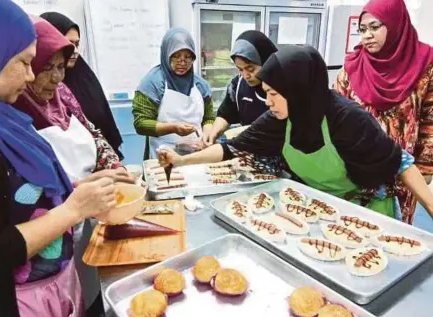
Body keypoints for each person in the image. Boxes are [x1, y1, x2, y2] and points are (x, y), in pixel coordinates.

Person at [158, 45, 433, 220]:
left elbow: (402, 165)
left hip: (366, 210)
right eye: (266, 93)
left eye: (274, 94)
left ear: (298, 90)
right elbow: (232, 147)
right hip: (321, 209)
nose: (268, 102)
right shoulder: (281, 118)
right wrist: (180, 161)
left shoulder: (347, 119)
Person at [0, 1, 116, 316]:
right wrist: (74, 208)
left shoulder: (10, 121)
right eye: (25, 62)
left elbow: (32, 193)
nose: (31, 73)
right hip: (23, 299)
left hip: (59, 281)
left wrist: (83, 185)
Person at [334, 0, 433, 224]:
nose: (367, 35)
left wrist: (426, 166)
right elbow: (336, 116)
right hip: (360, 169)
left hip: (403, 172)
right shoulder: (352, 68)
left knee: (396, 234)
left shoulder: (425, 65)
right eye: (362, 29)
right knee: (356, 230)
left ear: (396, 24)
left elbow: (430, 119)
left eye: (375, 27)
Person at [40, 11, 124, 160]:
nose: (75, 51)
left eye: (77, 44)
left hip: (101, 161)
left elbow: (100, 124)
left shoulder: (83, 75)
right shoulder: (38, 88)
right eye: (68, 44)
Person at [133, 27, 215, 159]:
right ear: (166, 54)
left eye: (188, 57)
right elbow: (141, 123)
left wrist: (206, 138)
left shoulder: (201, 85)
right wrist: (173, 128)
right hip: (162, 154)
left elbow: (209, 119)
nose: (182, 62)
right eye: (176, 56)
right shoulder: (152, 83)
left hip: (195, 154)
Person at [204, 30, 277, 145]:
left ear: (266, 62)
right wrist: (213, 133)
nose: (245, 76)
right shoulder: (238, 85)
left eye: (250, 69)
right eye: (240, 69)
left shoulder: (283, 88)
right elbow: (226, 113)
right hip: (249, 150)